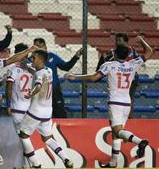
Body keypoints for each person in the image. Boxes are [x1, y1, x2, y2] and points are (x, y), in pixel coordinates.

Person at [65, 36, 154, 168]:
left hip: (115, 103)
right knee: (116, 133)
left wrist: (75, 77)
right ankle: (113, 163)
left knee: (117, 131)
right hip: (127, 102)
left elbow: (94, 77)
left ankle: (140, 141)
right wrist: (141, 40)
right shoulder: (132, 64)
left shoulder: (109, 65)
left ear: (115, 54)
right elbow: (150, 51)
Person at [18, 50, 73, 168]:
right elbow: (39, 75)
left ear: (40, 60)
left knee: (23, 135)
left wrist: (30, 94)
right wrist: (28, 68)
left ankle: (36, 164)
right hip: (47, 112)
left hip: (36, 111)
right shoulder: (49, 70)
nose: (31, 59)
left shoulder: (39, 74)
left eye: (33, 58)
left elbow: (38, 86)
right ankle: (66, 159)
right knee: (47, 138)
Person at [96, 33, 145, 118]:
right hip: (117, 79)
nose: (117, 42)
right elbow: (100, 67)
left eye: (119, 41)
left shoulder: (132, 51)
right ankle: (118, 118)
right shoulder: (113, 53)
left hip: (131, 80)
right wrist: (102, 59)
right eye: (116, 40)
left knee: (129, 99)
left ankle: (128, 118)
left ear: (126, 42)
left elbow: (141, 60)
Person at [33, 38, 82, 118]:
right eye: (34, 46)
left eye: (37, 46)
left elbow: (66, 67)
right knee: (40, 116)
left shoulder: (52, 56)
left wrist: (76, 57)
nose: (35, 48)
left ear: (44, 46)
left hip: (54, 92)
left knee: (60, 115)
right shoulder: (32, 60)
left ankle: (63, 130)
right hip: (40, 92)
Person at [6, 43, 33, 167]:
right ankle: (24, 165)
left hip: (18, 108)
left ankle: (30, 164)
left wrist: (8, 104)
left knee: (23, 139)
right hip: (30, 109)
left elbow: (9, 86)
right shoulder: (33, 68)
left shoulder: (12, 69)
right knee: (25, 138)